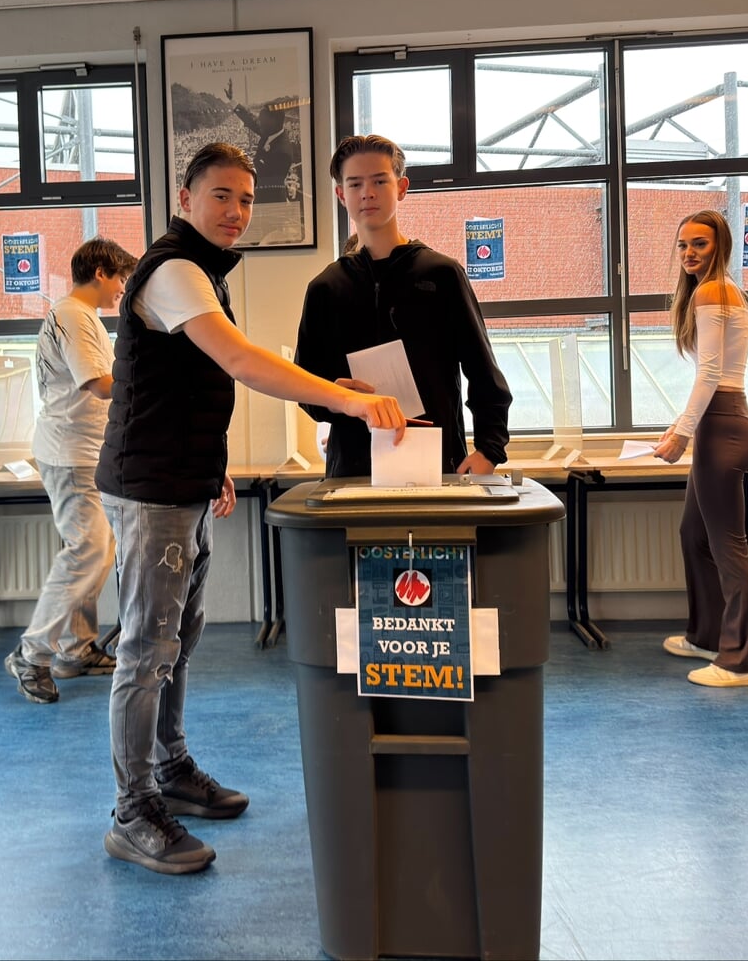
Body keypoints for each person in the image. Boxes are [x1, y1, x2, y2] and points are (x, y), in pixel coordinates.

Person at [97, 142, 406, 875]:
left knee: (180, 640)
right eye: (221, 197)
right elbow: (238, 360)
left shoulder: (200, 270)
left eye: (245, 198)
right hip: (150, 490)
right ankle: (132, 808)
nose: (236, 212)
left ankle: (170, 766)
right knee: (146, 650)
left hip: (183, 481)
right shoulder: (174, 269)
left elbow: (190, 387)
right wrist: (346, 398)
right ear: (185, 197)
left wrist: (213, 471)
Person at [295, 134, 513, 478]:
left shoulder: (442, 275)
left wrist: (489, 448)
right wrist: (334, 396)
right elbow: (304, 386)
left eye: (380, 180)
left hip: (437, 463)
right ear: (341, 194)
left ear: (401, 187)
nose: (367, 192)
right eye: (355, 184)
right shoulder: (325, 288)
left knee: (438, 535)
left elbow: (483, 371)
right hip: (353, 467)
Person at [3, 237, 139, 705]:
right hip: (71, 453)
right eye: (120, 277)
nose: (122, 288)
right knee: (89, 550)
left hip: (78, 451)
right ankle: (32, 651)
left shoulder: (76, 316)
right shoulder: (76, 316)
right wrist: (147, 376)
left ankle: (74, 649)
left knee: (93, 549)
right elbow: (99, 385)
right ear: (101, 271)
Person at [652, 210, 748, 688]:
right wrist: (685, 427)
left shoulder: (714, 290)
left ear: (721, 246)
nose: (689, 253)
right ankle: (706, 635)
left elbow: (712, 374)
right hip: (719, 423)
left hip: (722, 425)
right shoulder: (717, 291)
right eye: (682, 245)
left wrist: (681, 431)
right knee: (692, 534)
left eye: (699, 244)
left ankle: (744, 662)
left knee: (727, 548)